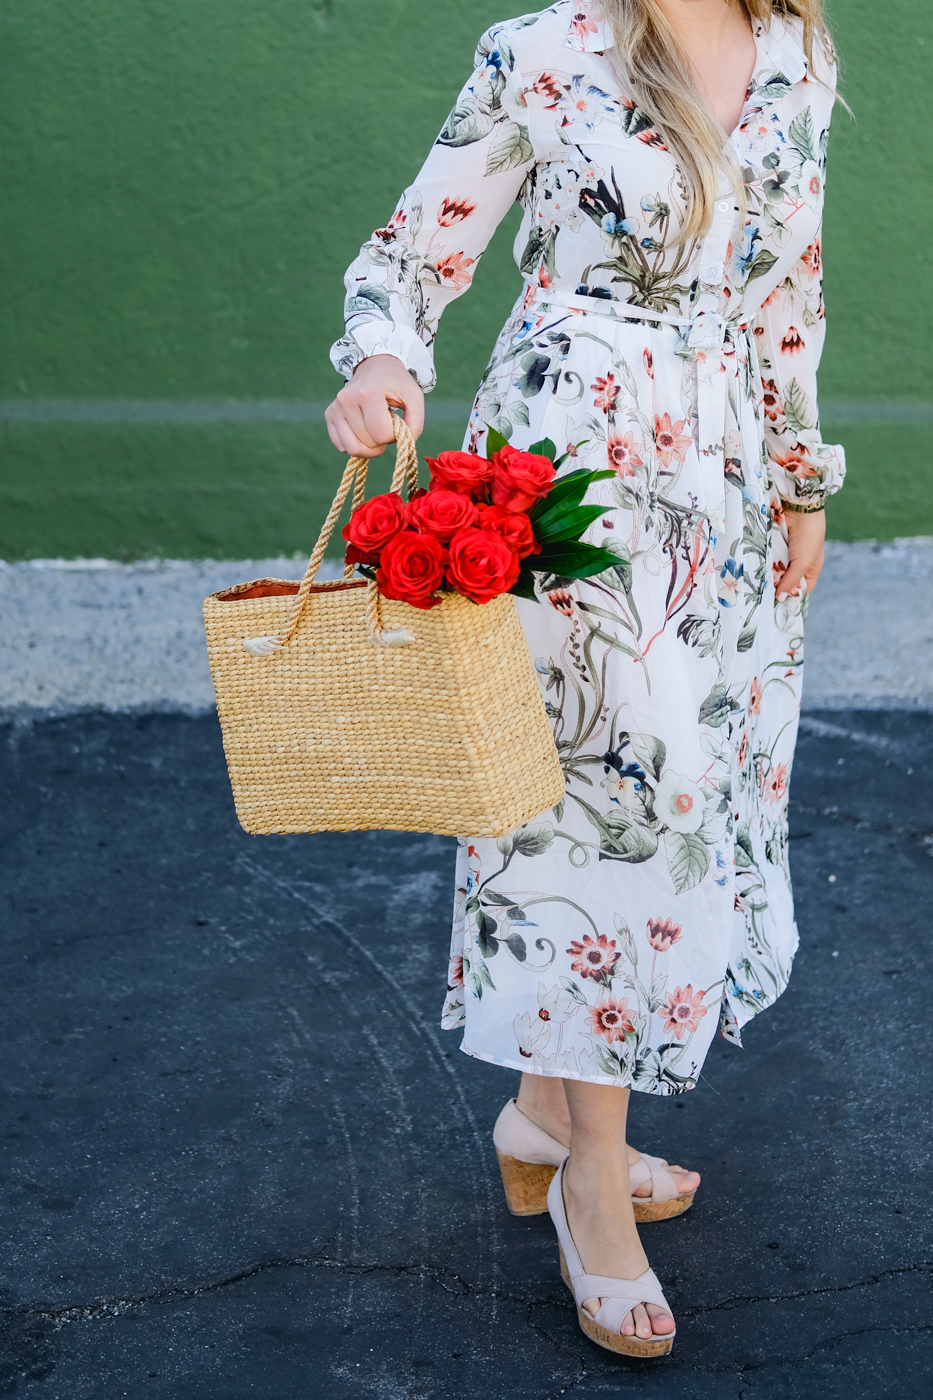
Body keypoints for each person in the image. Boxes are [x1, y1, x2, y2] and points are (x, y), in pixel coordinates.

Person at [325, 0, 844, 1358]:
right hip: (571, 477)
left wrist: (798, 471)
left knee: (694, 787)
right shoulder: (539, 48)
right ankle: (590, 1188)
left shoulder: (796, 52)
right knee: (601, 810)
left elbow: (790, 281)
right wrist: (384, 354)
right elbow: (412, 252)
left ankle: (544, 1117)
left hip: (722, 484)